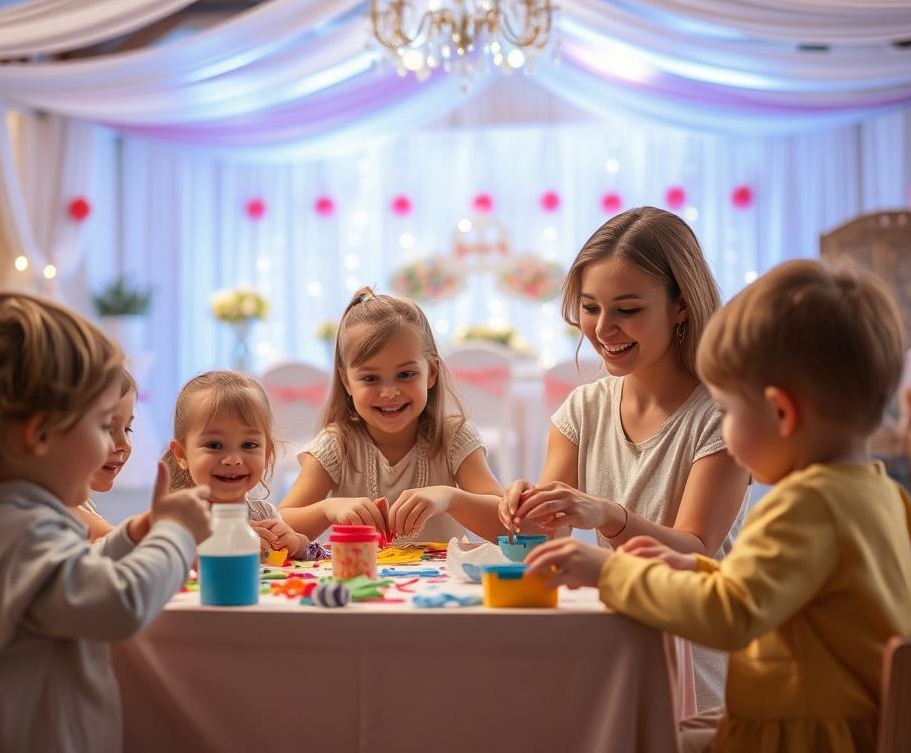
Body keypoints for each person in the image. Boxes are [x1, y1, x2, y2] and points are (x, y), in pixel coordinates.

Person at [524, 259, 911, 753]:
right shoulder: (882, 494)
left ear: (782, 413)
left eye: (727, 412)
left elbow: (732, 616)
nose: (721, 425)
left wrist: (608, 572)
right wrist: (693, 568)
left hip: (805, 737)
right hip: (847, 727)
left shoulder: (804, 505)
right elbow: (780, 592)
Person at [0, 292, 211, 753]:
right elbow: (120, 605)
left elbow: (66, 580)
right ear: (39, 434)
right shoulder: (22, 535)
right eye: (102, 426)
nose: (111, 447)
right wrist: (175, 535)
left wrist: (134, 535)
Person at [500, 207, 750, 709]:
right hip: (612, 652)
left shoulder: (724, 416)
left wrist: (610, 517)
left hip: (695, 670)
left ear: (681, 305)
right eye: (591, 308)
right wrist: (523, 509)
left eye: (628, 309)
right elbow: (549, 534)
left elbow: (694, 553)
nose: (603, 329)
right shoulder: (582, 409)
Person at [280, 287, 506, 542]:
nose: (389, 392)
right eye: (370, 378)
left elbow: (508, 526)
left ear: (431, 372)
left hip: (446, 583)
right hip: (361, 579)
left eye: (406, 374)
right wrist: (327, 509)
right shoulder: (336, 444)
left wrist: (450, 498)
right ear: (347, 382)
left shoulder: (453, 437)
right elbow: (281, 523)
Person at [162, 370, 313, 559]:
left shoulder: (264, 514)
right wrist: (229, 541)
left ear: (266, 454)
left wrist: (296, 544)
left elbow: (313, 556)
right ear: (182, 454)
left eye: (248, 445)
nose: (233, 459)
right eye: (214, 445)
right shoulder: (179, 516)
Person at [78, 366, 138, 540]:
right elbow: (122, 545)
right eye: (107, 429)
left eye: (128, 429)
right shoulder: (65, 511)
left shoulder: (81, 503)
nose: (123, 444)